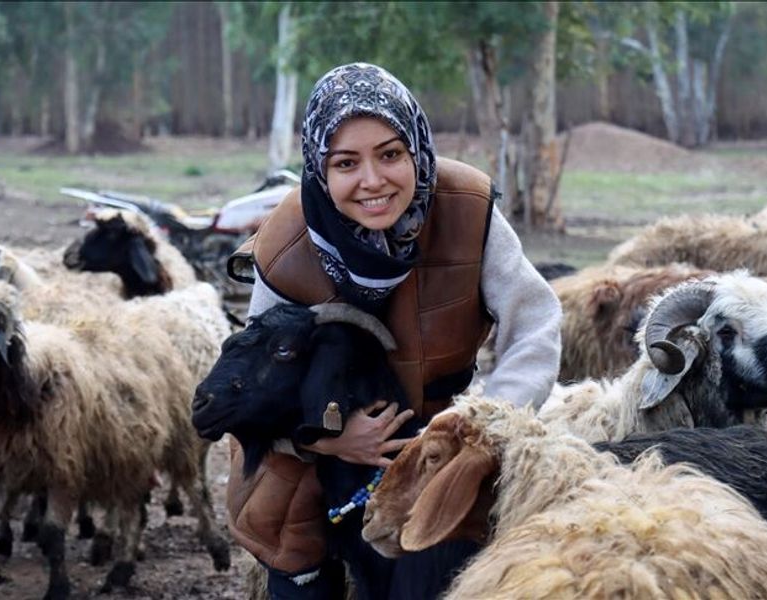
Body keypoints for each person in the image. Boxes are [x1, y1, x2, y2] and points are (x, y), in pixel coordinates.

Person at [227, 62, 562, 599]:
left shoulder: (465, 208)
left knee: (442, 577)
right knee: (301, 573)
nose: (373, 180)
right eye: (346, 163)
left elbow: (535, 322)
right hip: (316, 455)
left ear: (416, 150)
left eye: (390, 154)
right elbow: (253, 378)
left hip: (440, 446)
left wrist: (483, 424)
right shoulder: (287, 241)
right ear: (319, 167)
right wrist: (327, 437)